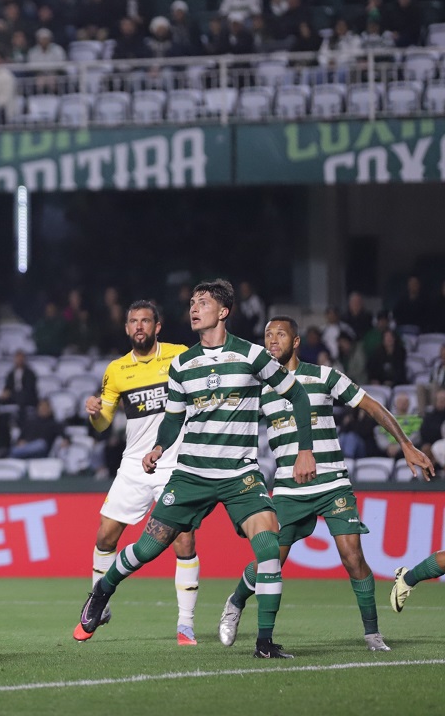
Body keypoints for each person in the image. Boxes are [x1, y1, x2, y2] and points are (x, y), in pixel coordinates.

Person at [75, 279, 315, 660]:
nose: (194, 307)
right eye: (191, 302)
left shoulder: (252, 356)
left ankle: (264, 642)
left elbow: (297, 394)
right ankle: (102, 592)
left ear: (223, 312)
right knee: (147, 548)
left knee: (269, 547)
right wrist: (158, 446)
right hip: (191, 475)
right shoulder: (183, 364)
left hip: (240, 475)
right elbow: (172, 420)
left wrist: (306, 450)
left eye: (203, 302)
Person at [220, 317, 434, 653]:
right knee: (271, 561)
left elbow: (372, 405)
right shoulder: (259, 388)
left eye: (280, 334)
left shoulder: (323, 376)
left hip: (332, 482)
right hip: (289, 488)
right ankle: (235, 601)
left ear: (296, 341)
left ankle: (372, 634)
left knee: (352, 556)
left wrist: (406, 443)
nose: (272, 340)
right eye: (267, 335)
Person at [84, 300, 200, 645]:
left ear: (157, 326)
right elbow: (104, 424)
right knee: (105, 536)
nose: (139, 327)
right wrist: (94, 413)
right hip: (135, 465)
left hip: (175, 464)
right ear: (126, 328)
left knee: (184, 540)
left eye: (145, 321)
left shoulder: (180, 355)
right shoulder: (117, 370)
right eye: (133, 321)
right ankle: (97, 602)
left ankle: (185, 623)